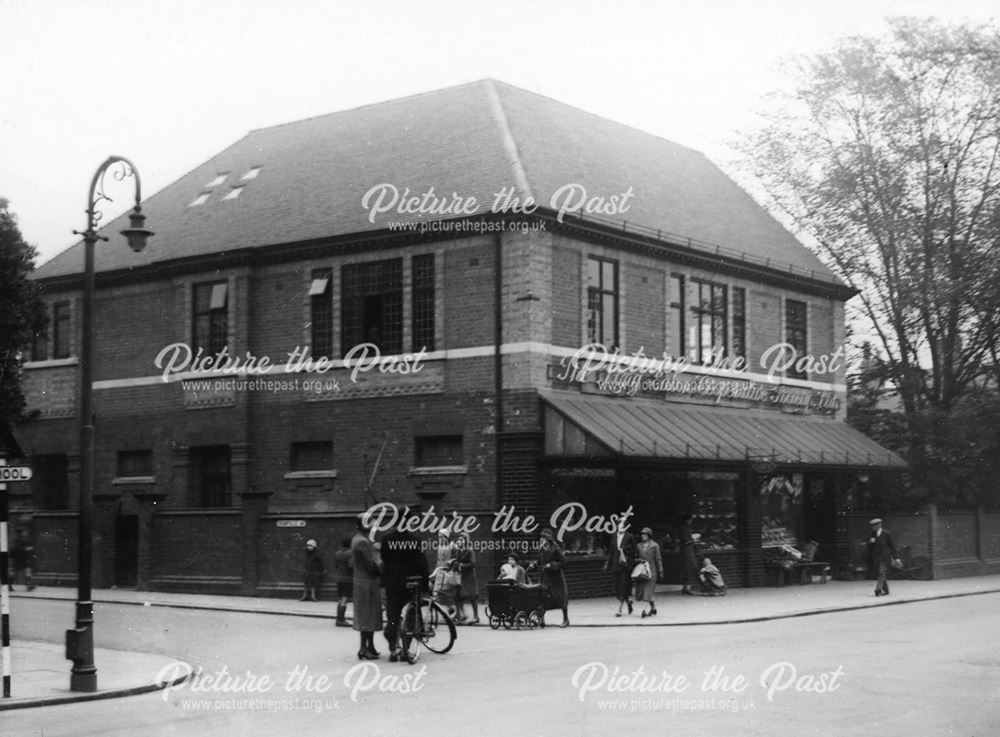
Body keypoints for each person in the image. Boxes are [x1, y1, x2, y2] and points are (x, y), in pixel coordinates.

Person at [380, 510, 430, 663]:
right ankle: (406, 650)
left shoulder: (387, 539)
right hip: (410, 583)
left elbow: (385, 560)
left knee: (393, 617)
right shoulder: (414, 540)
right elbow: (422, 563)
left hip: (393, 583)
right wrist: (425, 583)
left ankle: (393, 650)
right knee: (411, 615)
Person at [351, 515, 383, 659]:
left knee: (367, 616)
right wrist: (381, 563)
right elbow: (371, 566)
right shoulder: (363, 542)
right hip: (367, 583)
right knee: (368, 616)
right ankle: (364, 648)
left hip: (361, 582)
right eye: (371, 523)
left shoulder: (357, 539)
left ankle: (369, 646)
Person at [535, 528, 570, 627]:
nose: (541, 539)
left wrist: (552, 564)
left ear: (548, 539)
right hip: (545, 577)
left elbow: (563, 562)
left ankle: (566, 619)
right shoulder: (541, 549)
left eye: (544, 538)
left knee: (561, 598)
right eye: (541, 537)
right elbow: (539, 562)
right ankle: (542, 619)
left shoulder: (555, 549)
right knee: (542, 597)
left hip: (556, 578)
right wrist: (534, 565)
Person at [603, 523, 636, 616]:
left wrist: (624, 549)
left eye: (622, 525)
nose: (620, 527)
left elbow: (634, 550)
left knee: (622, 586)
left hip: (625, 566)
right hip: (615, 565)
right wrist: (607, 563)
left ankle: (619, 609)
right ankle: (628, 601)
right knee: (616, 587)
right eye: (619, 525)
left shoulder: (630, 536)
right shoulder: (614, 536)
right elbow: (611, 551)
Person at [634, 527, 663, 617]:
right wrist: (639, 560)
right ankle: (653, 608)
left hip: (652, 571)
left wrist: (661, 570)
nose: (643, 536)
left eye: (645, 534)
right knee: (642, 591)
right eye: (642, 534)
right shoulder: (638, 546)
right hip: (642, 571)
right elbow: (634, 558)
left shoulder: (655, 546)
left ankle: (644, 610)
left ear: (649, 536)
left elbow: (658, 559)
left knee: (648, 591)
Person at [867, 518, 899, 597]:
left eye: (874, 526)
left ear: (879, 525)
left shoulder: (886, 534)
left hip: (885, 557)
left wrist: (896, 558)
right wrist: (870, 542)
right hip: (876, 558)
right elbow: (869, 545)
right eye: (872, 526)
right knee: (880, 574)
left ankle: (877, 590)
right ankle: (886, 590)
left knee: (881, 573)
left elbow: (892, 546)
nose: (873, 527)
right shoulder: (872, 534)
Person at [453, 533, 480, 625]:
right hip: (460, 576)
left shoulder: (469, 551)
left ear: (466, 541)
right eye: (458, 540)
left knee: (472, 596)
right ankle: (462, 615)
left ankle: (476, 617)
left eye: (461, 540)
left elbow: (473, 563)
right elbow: (457, 561)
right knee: (457, 596)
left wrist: (462, 566)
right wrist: (455, 564)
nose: (459, 541)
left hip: (469, 576)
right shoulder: (458, 551)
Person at [332, 537, 353, 626]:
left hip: (339, 577)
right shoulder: (350, 553)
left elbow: (336, 565)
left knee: (340, 598)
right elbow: (351, 566)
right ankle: (341, 620)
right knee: (345, 598)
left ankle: (338, 618)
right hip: (347, 578)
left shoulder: (338, 553)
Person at [678, 514, 699, 595]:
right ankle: (687, 587)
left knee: (686, 569)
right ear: (687, 520)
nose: (691, 521)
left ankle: (685, 587)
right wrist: (693, 540)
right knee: (691, 568)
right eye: (690, 520)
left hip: (686, 551)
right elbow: (686, 541)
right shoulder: (684, 529)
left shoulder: (684, 528)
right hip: (687, 551)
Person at [10, 527, 34, 591]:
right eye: (22, 532)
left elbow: (14, 550)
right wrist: (26, 549)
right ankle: (9, 584)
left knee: (26, 571)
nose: (23, 533)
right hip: (19, 559)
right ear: (20, 533)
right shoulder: (18, 540)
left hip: (21, 559)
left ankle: (29, 586)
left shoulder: (18, 539)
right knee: (16, 573)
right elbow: (17, 549)